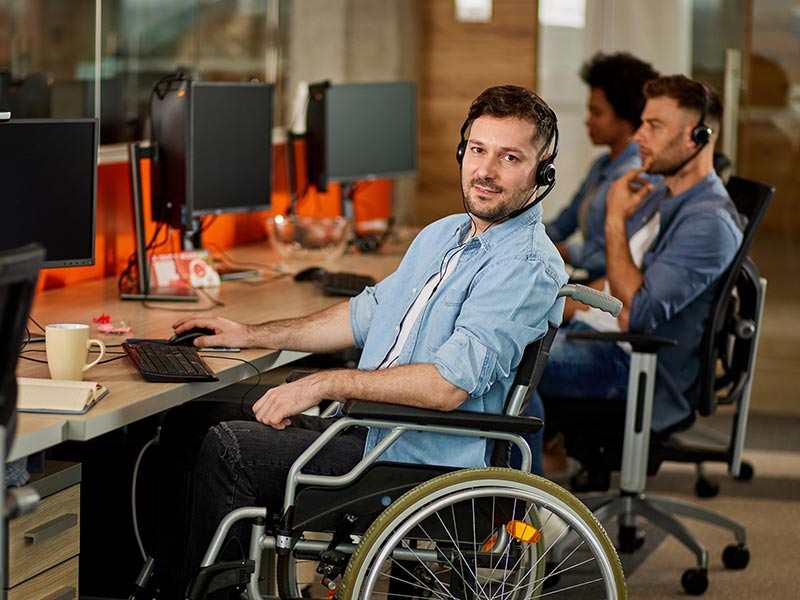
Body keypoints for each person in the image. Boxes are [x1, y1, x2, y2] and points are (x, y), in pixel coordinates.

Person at [153, 85, 567, 599]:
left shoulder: (522, 265)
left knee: (229, 447)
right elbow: (361, 315)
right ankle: (173, 587)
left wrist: (326, 381)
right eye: (478, 150)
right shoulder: (444, 236)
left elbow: (447, 387)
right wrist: (250, 334)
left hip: (418, 461)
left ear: (542, 169)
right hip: (370, 431)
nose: (485, 170)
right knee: (185, 424)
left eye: (510, 157)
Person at [525, 75, 745, 470]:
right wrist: (566, 305)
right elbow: (616, 281)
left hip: (636, 366)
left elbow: (636, 314)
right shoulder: (662, 192)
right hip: (604, 340)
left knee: (509, 369)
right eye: (643, 122)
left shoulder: (708, 222)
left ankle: (525, 512)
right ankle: (526, 484)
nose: (640, 135)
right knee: (506, 342)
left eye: (654, 126)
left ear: (697, 136)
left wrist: (614, 217)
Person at [547, 52, 659, 279]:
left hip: (610, 288)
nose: (587, 121)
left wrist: (557, 252)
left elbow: (616, 254)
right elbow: (564, 223)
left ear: (627, 116)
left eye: (597, 113)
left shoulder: (635, 173)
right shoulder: (602, 165)